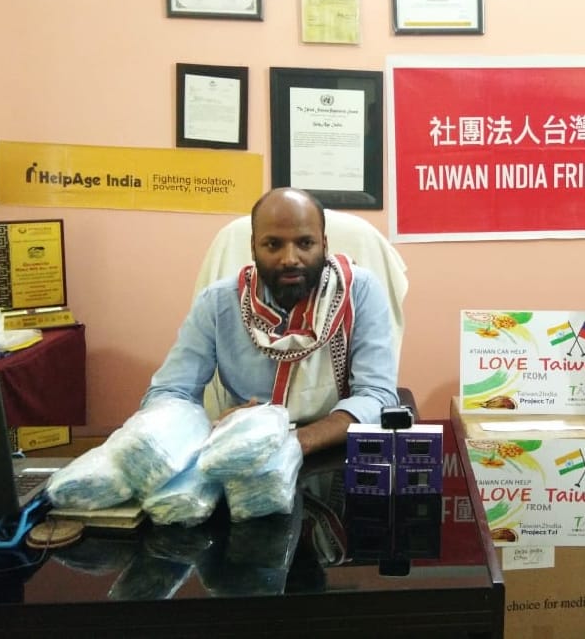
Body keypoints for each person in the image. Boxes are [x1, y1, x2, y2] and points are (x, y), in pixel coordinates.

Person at [141, 187, 399, 455]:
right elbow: (166, 395)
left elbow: (377, 395)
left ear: (324, 245)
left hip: (335, 452)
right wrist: (211, 428)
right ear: (253, 248)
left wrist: (292, 442)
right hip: (245, 451)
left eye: (305, 243)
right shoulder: (218, 303)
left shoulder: (358, 292)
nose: (290, 259)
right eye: (273, 244)